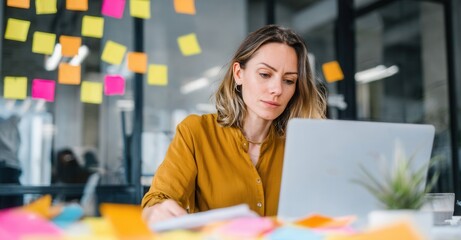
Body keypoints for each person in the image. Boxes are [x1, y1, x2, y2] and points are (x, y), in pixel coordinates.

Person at [141, 24, 327, 223]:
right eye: (265, 74)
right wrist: (156, 211)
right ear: (238, 74)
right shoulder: (197, 132)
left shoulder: (301, 147)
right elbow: (157, 201)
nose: (277, 89)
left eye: (289, 80)